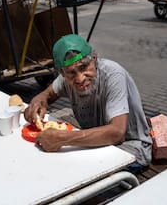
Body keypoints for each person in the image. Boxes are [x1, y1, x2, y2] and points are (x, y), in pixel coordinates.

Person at [24, 34, 152, 172]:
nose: (80, 78)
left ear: (95, 60)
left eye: (84, 67)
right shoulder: (66, 79)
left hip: (129, 149)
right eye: (71, 73)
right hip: (96, 146)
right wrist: (38, 100)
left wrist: (62, 138)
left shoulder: (113, 75)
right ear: (62, 74)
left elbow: (117, 133)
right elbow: (47, 94)